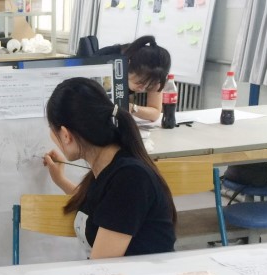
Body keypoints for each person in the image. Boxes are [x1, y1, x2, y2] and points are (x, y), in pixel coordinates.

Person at [43, 77, 176, 259]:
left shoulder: (129, 178)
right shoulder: (109, 164)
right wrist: (61, 180)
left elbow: (102, 266)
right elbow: (103, 206)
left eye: (53, 130)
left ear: (65, 135)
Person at [95, 35, 171, 122]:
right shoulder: (107, 64)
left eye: (149, 85)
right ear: (127, 66)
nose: (142, 88)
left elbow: (155, 112)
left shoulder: (156, 70)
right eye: (140, 82)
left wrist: (131, 107)